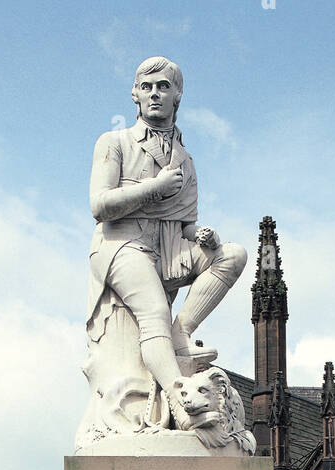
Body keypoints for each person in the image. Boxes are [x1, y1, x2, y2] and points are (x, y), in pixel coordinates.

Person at [86, 56, 247, 427]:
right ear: (135, 96)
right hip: (122, 244)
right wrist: (154, 188)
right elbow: (100, 206)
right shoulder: (114, 142)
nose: (155, 94)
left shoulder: (185, 160)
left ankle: (183, 332)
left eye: (163, 87)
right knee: (154, 312)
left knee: (233, 255)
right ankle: (180, 401)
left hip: (169, 247)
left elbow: (186, 222)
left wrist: (204, 237)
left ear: (178, 96)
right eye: (147, 87)